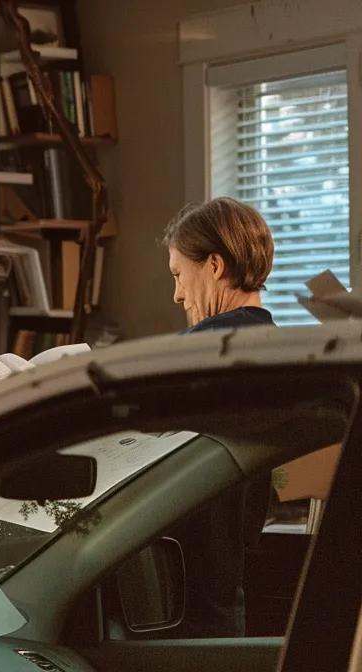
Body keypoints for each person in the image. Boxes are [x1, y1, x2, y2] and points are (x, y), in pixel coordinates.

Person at [162, 196, 277, 637]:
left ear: (213, 265)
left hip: (190, 575)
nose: (177, 294)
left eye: (178, 274)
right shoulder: (270, 342)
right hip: (229, 571)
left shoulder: (208, 346)